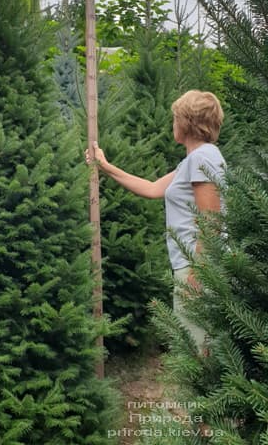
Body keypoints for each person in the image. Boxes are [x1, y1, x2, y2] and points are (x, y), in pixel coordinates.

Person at [85, 89, 226, 354]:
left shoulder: (202, 158)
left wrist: (197, 275)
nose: (173, 123)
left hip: (197, 267)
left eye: (175, 118)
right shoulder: (193, 160)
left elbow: (211, 221)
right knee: (195, 345)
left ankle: (194, 398)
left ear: (187, 122)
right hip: (191, 265)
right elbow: (151, 188)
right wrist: (105, 166)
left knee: (197, 352)